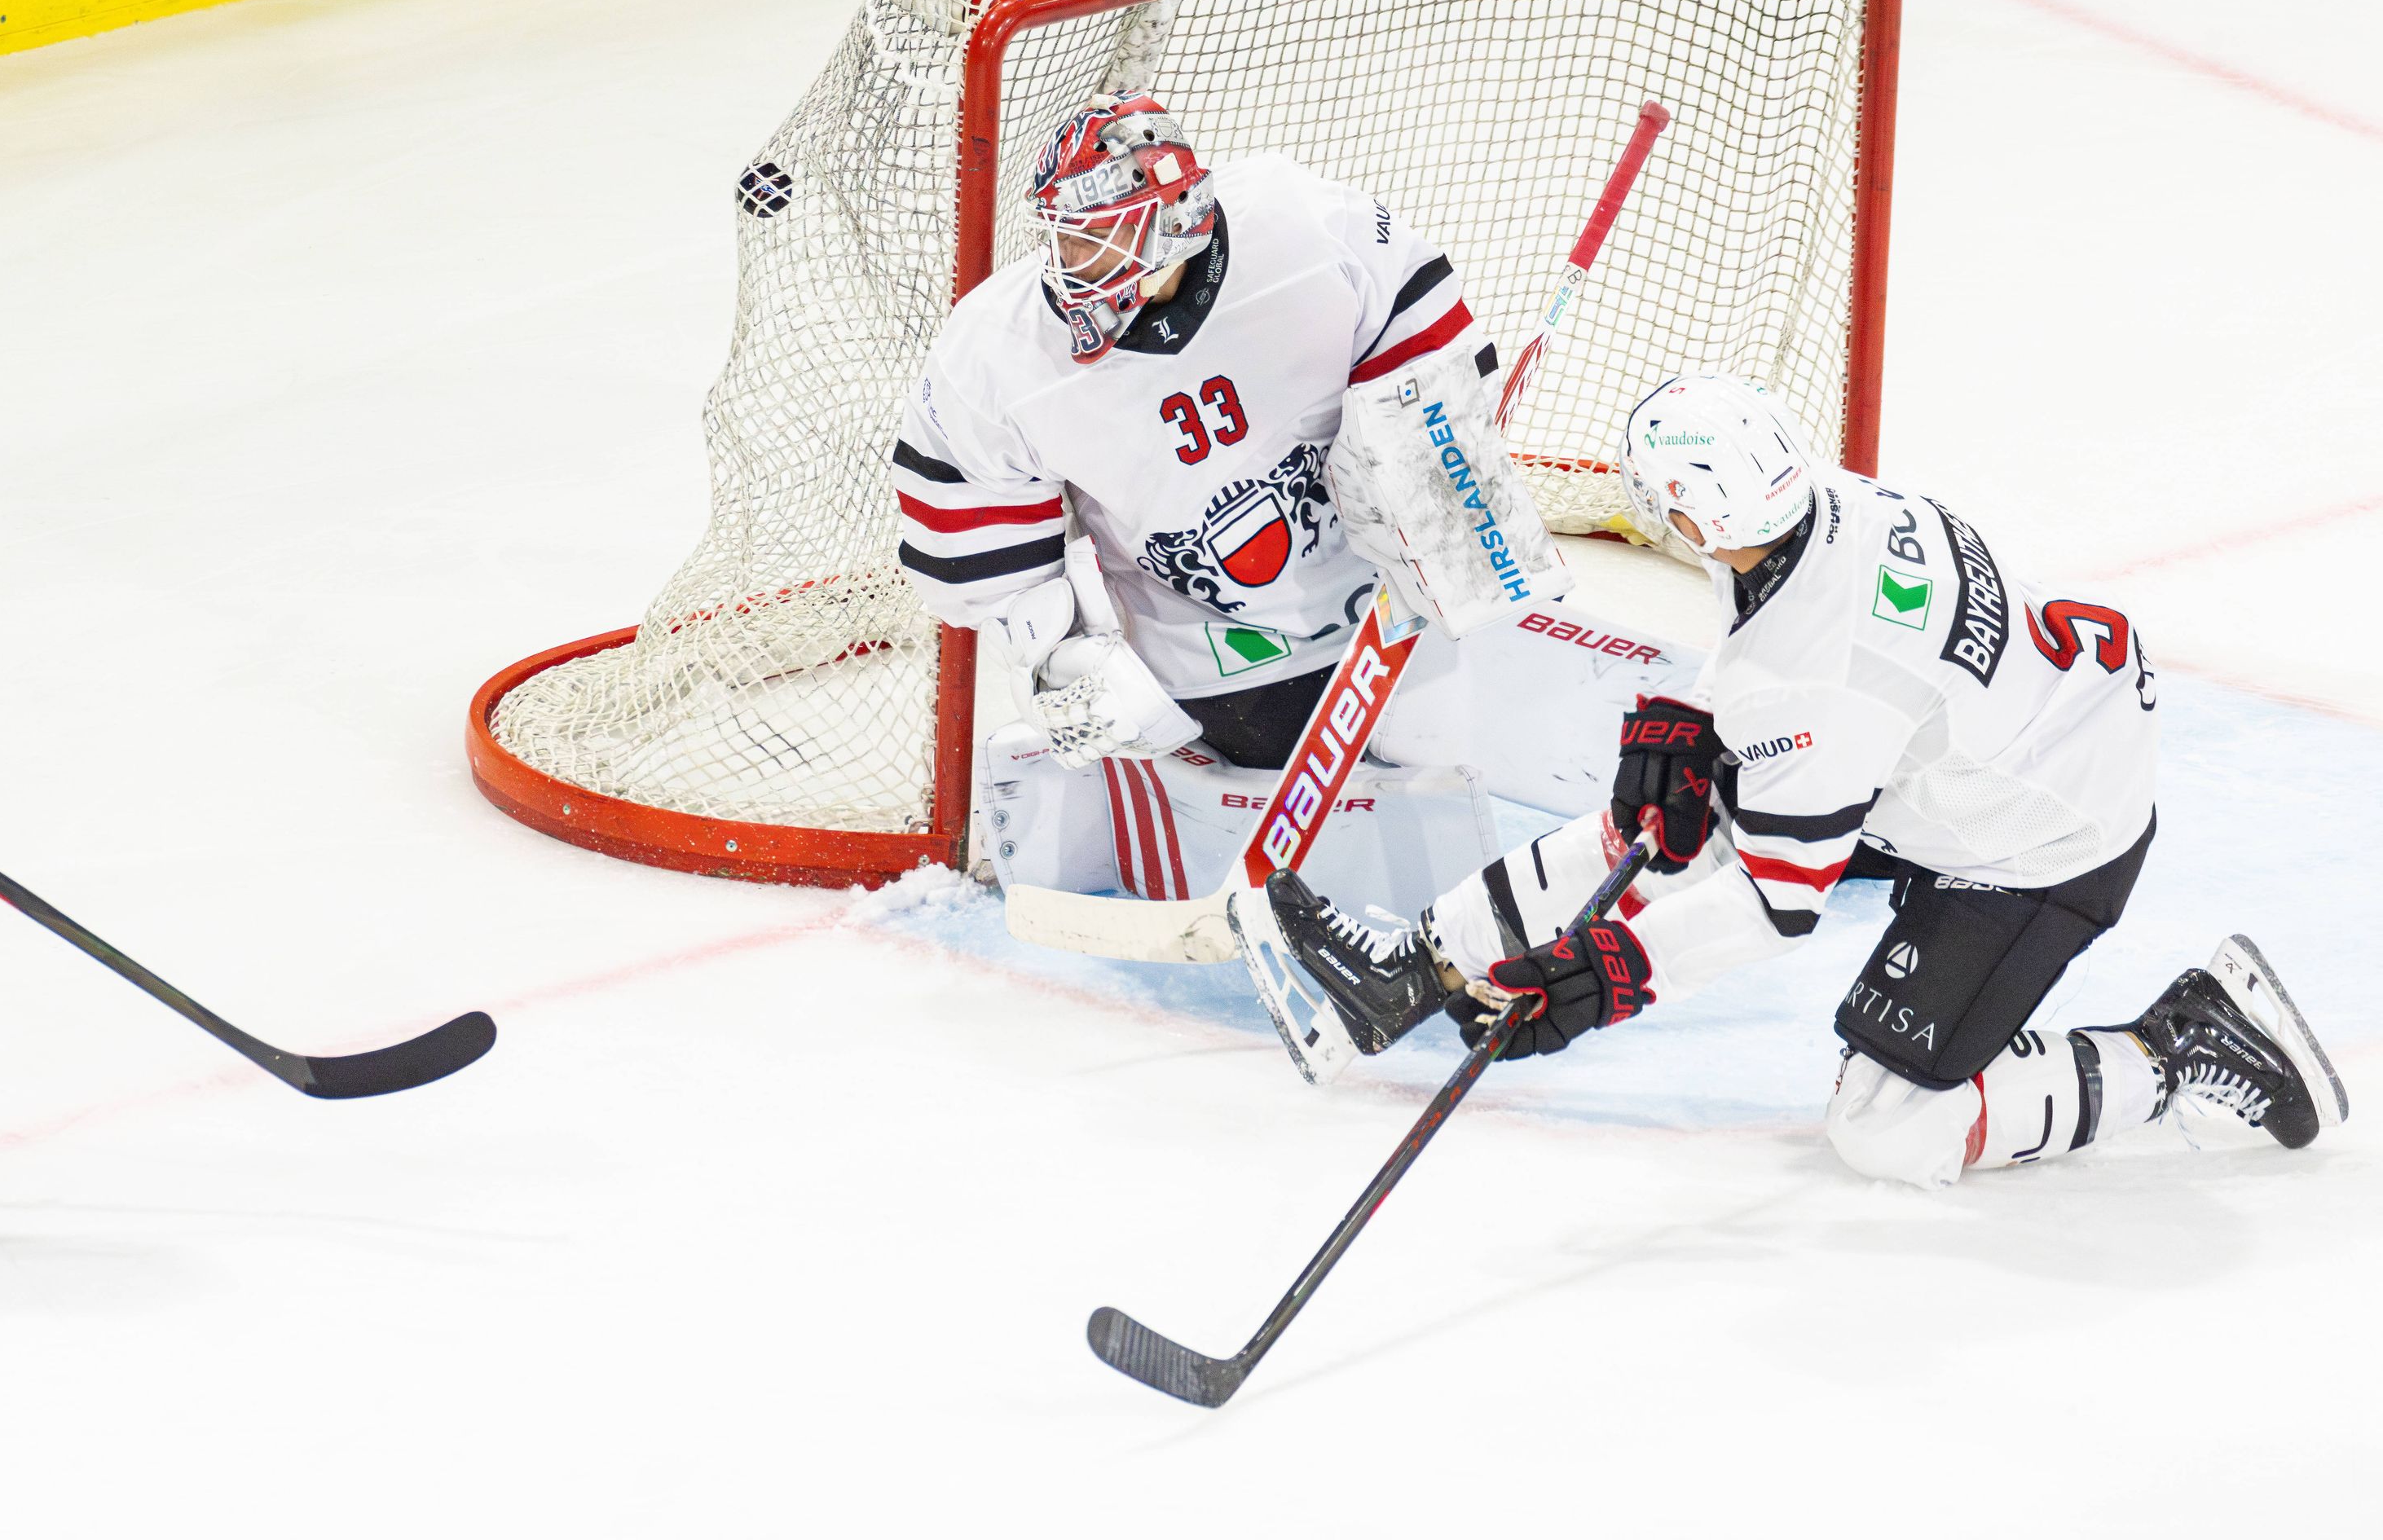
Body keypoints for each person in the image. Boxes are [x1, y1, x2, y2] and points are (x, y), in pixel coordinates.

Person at [1246, 373, 2346, 1183]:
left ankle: (2182, 1047)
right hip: (2000, 744)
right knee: (1666, 824)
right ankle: (1410, 971)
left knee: (1885, 1129)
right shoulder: (1828, 502)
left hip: (2043, 841)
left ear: (1690, 517)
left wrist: (1604, 979)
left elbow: (1776, 907)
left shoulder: (1809, 688)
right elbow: (1799, 648)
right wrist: (1696, 713)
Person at [896, 90, 1573, 904]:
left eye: (1104, 240)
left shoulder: (1306, 229)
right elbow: (967, 532)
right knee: (1334, 831)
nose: (1078, 267)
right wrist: (1059, 651)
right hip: (1213, 652)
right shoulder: (996, 351)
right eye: (1068, 243)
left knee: (1444, 756)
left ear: (1176, 221)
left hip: (1390, 602)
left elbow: (1431, 357)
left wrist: (1431, 480)